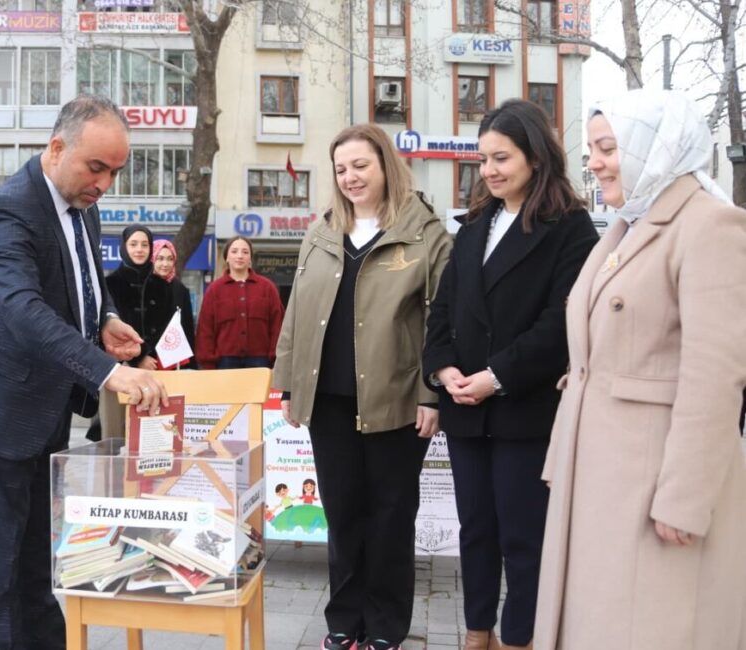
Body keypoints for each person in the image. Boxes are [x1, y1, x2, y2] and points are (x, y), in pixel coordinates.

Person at [0, 95, 168, 650]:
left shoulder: (82, 206)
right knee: (0, 576)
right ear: (57, 147)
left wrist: (107, 318)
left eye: (116, 171)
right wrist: (106, 375)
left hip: (45, 411)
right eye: (97, 168)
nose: (105, 184)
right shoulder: (8, 210)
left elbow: (84, 282)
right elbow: (23, 309)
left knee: (40, 569)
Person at [535, 89, 746, 649]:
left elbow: (715, 376)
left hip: (653, 488)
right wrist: (563, 458)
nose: (596, 162)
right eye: (593, 150)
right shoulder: (626, 226)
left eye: (609, 148)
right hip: (597, 479)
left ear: (655, 147)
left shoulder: (710, 225)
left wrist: (685, 497)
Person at [421, 100, 597, 650]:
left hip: (524, 411)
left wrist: (495, 376)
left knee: (524, 537)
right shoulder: (474, 225)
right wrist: (444, 369)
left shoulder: (570, 227)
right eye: (483, 160)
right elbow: (443, 309)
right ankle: (478, 632)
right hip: (466, 411)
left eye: (502, 158)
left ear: (535, 156)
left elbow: (561, 323)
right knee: (475, 532)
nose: (490, 170)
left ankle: (520, 638)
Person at [273, 124, 451, 650]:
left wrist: (430, 393)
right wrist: (287, 385)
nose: (350, 177)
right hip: (328, 400)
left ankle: (386, 627)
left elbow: (441, 321)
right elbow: (296, 313)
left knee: (391, 516)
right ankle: (344, 622)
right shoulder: (322, 231)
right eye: (341, 168)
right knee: (344, 513)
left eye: (361, 166)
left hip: (396, 401)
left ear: (386, 166)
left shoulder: (426, 234)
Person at [86, 226, 173, 441]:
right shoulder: (109, 284)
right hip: (118, 368)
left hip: (155, 368)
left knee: (152, 434)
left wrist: (150, 355)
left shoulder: (163, 286)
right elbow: (103, 327)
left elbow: (168, 328)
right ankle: (112, 475)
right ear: (124, 247)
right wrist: (139, 356)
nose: (139, 249)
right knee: (115, 435)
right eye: (133, 244)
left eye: (144, 245)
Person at [196, 235, 283, 369]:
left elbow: (277, 326)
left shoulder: (267, 288)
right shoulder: (215, 290)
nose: (240, 256)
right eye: (234, 251)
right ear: (227, 257)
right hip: (224, 362)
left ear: (250, 259)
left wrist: (275, 358)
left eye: (245, 252)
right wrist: (208, 363)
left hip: (260, 362)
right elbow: (205, 329)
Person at [151, 238, 197, 367]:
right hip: (148, 360)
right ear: (152, 259)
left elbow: (187, 327)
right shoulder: (142, 286)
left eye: (170, 259)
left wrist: (191, 363)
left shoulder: (180, 289)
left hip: (175, 359)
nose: (165, 264)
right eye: (160, 258)